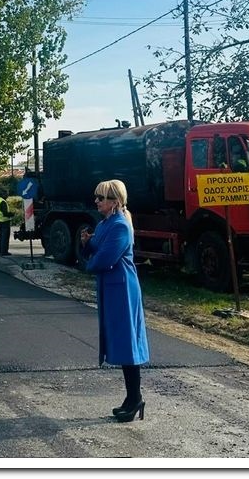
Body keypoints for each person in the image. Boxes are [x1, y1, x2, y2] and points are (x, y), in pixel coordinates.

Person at [79, 179, 150, 422]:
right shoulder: (105, 223)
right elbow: (94, 254)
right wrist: (88, 244)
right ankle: (132, 398)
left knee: (127, 341)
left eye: (102, 197)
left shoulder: (119, 226)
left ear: (115, 202)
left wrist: (92, 254)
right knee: (120, 341)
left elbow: (103, 260)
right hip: (112, 287)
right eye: (96, 197)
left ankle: (135, 398)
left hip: (122, 289)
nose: (97, 201)